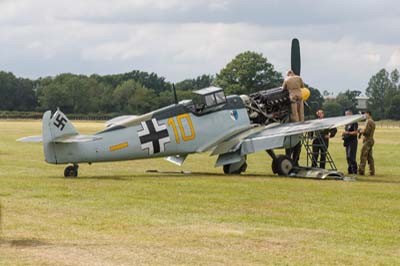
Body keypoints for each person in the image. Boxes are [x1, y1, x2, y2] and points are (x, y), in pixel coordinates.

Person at [358, 111, 375, 175]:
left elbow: (366, 132)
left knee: (363, 155)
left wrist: (360, 131)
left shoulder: (368, 121)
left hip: (367, 140)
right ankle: (372, 171)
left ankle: (361, 171)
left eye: (365, 114)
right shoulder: (373, 121)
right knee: (370, 157)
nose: (364, 115)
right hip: (371, 140)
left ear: (368, 114)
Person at [342, 110, 358, 174]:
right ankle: (350, 170)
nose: (346, 116)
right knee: (347, 157)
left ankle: (354, 170)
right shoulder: (347, 123)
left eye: (347, 114)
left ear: (351, 114)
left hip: (353, 141)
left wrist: (347, 132)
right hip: (347, 141)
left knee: (351, 156)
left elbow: (356, 132)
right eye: (345, 114)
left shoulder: (354, 123)